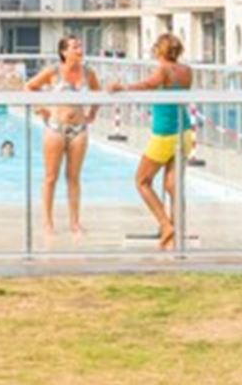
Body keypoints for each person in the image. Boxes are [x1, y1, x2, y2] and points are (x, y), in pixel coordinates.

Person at [108, 32, 194, 249]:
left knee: (142, 181)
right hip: (184, 131)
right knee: (173, 186)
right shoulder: (187, 71)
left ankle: (166, 225)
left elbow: (148, 84)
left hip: (164, 133)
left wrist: (122, 88)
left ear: (159, 50)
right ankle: (175, 233)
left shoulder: (164, 69)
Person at [26, 35, 99, 240]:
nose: (79, 49)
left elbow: (98, 93)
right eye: (75, 46)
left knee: (74, 178)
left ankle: (75, 223)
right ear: (64, 52)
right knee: (51, 178)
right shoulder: (53, 72)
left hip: (79, 129)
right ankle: (48, 223)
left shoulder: (88, 73)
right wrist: (40, 108)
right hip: (55, 128)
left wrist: (92, 113)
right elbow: (29, 87)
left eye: (80, 45)